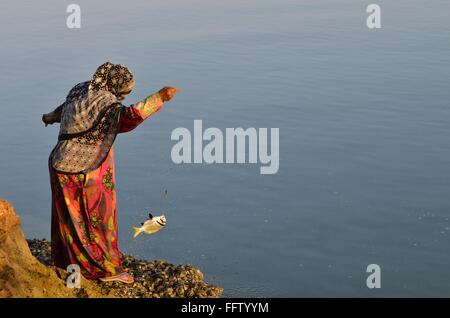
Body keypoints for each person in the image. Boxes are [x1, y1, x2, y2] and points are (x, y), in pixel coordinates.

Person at [42, 62, 180, 283]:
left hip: (59, 165)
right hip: (86, 170)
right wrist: (160, 97)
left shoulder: (79, 90)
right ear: (115, 87)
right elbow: (129, 116)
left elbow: (62, 110)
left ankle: (70, 270)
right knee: (97, 219)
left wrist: (48, 117)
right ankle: (105, 270)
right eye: (124, 93)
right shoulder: (107, 104)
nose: (123, 97)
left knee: (68, 222)